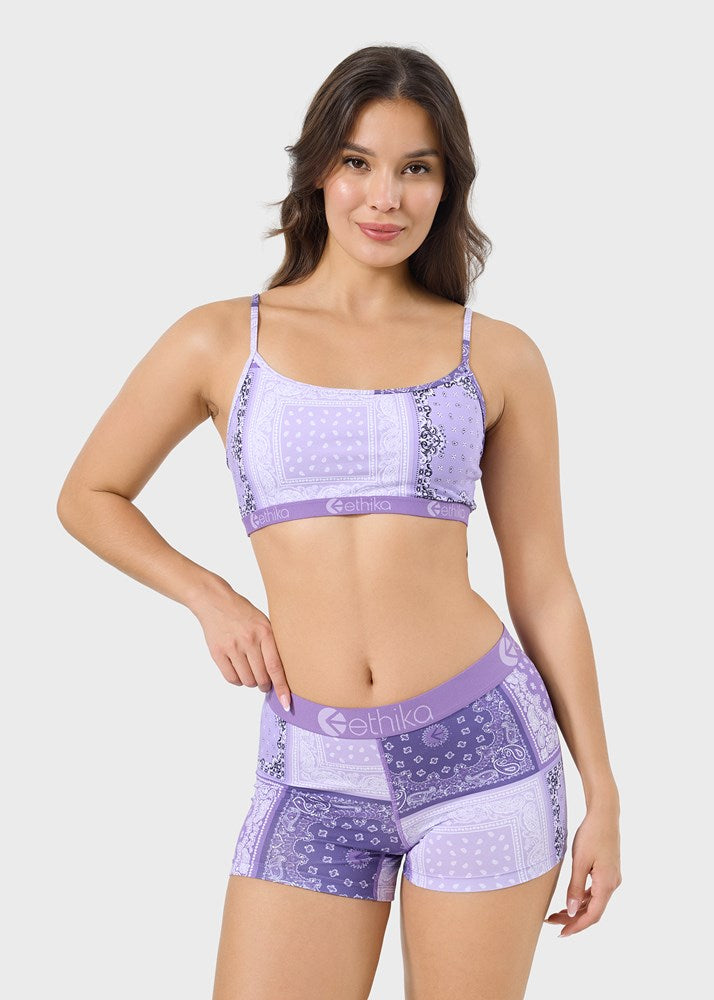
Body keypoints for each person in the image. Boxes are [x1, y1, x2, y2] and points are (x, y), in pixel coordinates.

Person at [57, 44, 622, 1000]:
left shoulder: (498, 356)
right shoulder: (220, 338)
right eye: (359, 162)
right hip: (312, 768)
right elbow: (89, 494)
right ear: (319, 168)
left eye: (417, 168)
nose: (385, 197)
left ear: (448, 186)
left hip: (485, 756)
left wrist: (602, 788)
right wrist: (211, 597)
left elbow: (543, 581)